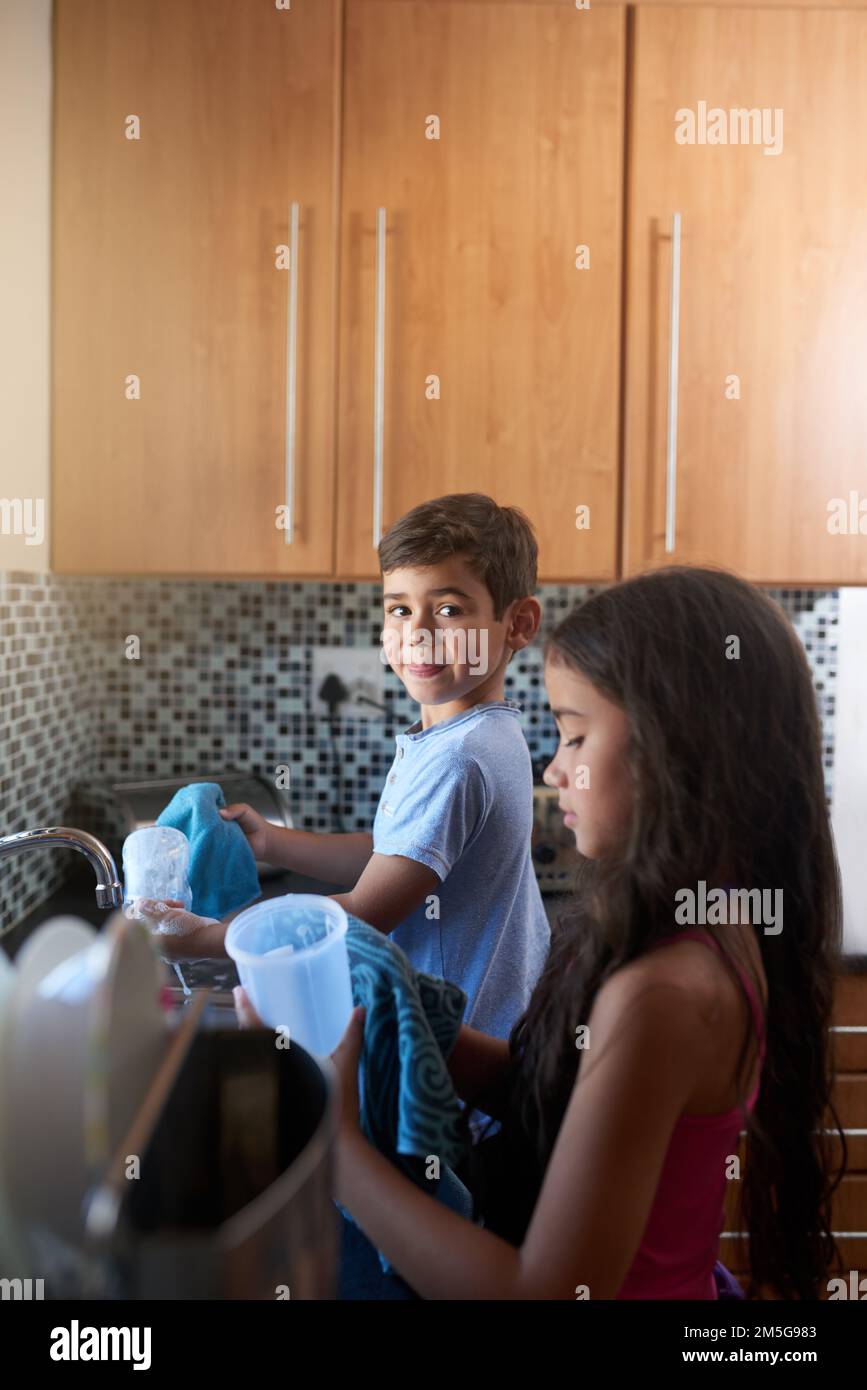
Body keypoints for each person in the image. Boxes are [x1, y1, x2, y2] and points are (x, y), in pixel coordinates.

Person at [237, 565, 843, 1299]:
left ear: (673, 753)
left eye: (575, 737)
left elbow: (539, 1291)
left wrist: (339, 1151)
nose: (554, 771)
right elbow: (551, 1092)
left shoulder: (666, 992)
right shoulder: (688, 927)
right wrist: (405, 1019)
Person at [147, 493, 550, 1040]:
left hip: (452, 1060)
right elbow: (394, 857)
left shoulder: (459, 758)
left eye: (450, 609)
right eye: (400, 608)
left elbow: (363, 912)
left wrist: (203, 938)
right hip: (489, 1035)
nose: (417, 632)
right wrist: (274, 843)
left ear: (519, 623)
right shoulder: (478, 733)